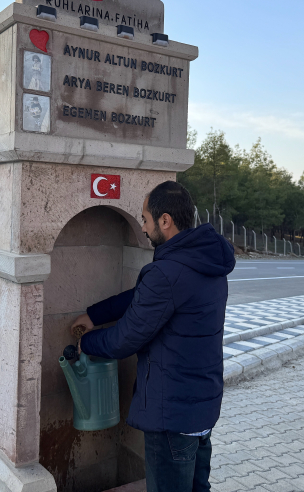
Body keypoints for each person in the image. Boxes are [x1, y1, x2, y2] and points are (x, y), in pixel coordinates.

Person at [71, 181, 235, 492]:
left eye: (145, 219)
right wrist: (96, 314)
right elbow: (145, 296)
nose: (143, 227)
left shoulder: (168, 272)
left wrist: (86, 343)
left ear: (165, 220)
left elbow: (125, 338)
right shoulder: (205, 261)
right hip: (201, 406)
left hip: (172, 414)